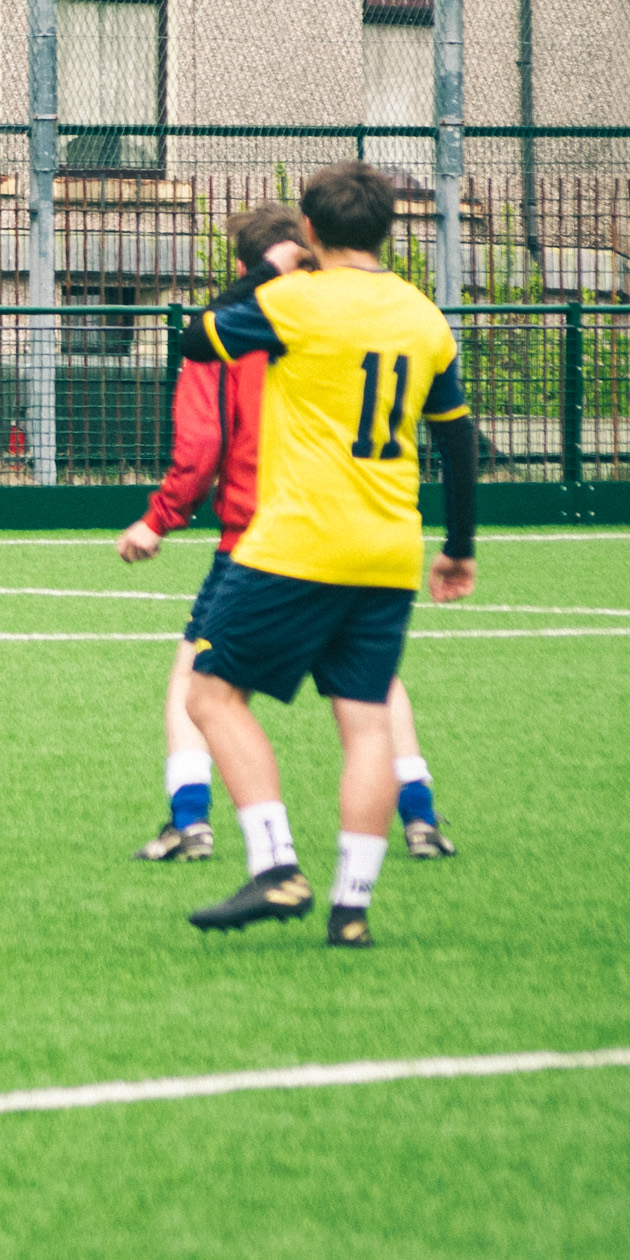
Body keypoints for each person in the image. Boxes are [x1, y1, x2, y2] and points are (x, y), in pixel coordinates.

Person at [172, 162, 480, 949]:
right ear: (388, 230)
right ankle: (351, 909)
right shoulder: (423, 316)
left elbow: (195, 337)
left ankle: (277, 867)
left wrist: (267, 275)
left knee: (210, 694)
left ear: (309, 231)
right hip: (388, 548)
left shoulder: (294, 303)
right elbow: (456, 441)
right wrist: (458, 549)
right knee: (367, 721)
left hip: (299, 541)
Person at [120, 203, 459, 864]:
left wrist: (158, 518)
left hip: (266, 536)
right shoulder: (367, 318)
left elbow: (204, 442)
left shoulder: (239, 329)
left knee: (200, 677)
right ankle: (418, 816)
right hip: (360, 529)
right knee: (372, 686)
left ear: (246, 266)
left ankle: (193, 822)